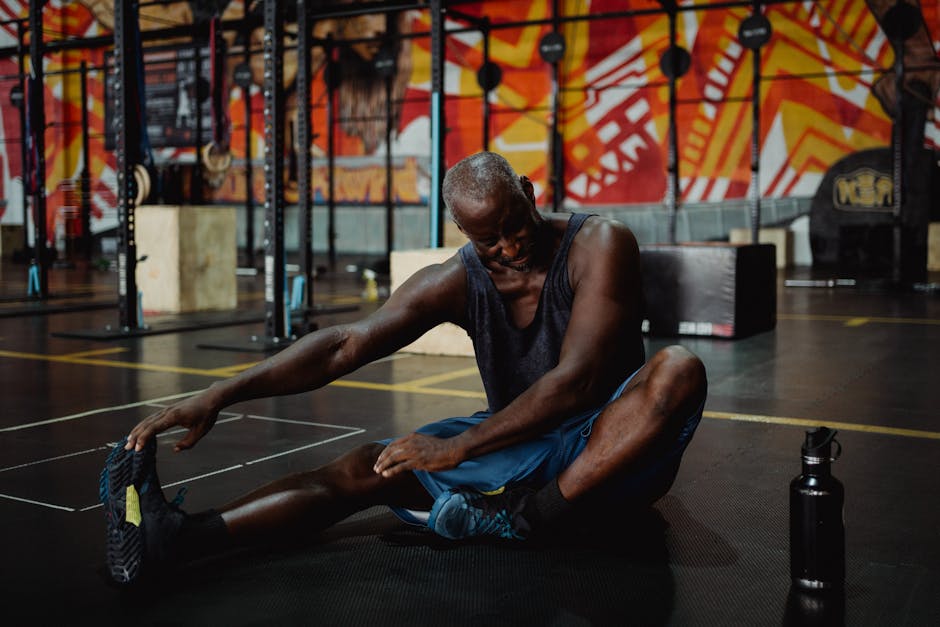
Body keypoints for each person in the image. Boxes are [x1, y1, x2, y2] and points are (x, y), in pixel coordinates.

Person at [100, 151, 707, 585]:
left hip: (611, 453)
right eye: (489, 239)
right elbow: (344, 344)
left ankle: (531, 519)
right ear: (462, 232)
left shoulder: (600, 243)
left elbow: (576, 380)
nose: (511, 246)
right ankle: (180, 538)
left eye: (515, 223)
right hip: (524, 446)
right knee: (367, 468)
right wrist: (221, 393)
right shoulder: (455, 279)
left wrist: (462, 447)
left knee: (678, 369)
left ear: (527, 188)